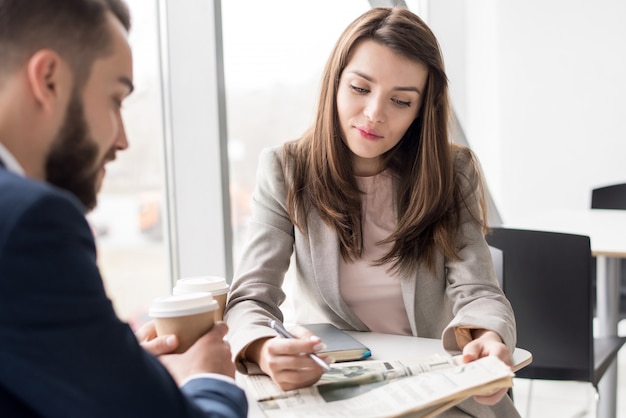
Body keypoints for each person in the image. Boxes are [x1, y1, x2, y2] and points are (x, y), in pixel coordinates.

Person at [225, 7, 518, 417]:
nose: (375, 113)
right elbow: (250, 298)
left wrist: (486, 336)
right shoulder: (285, 170)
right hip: (337, 392)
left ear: (421, 111)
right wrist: (265, 347)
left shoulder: (453, 173)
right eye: (361, 88)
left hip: (441, 392)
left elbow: (480, 292)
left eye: (400, 100)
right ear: (335, 83)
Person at [0, 1, 247, 417]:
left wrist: (116, 366)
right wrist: (208, 377)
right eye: (115, 99)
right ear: (48, 79)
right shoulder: (29, 222)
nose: (122, 140)